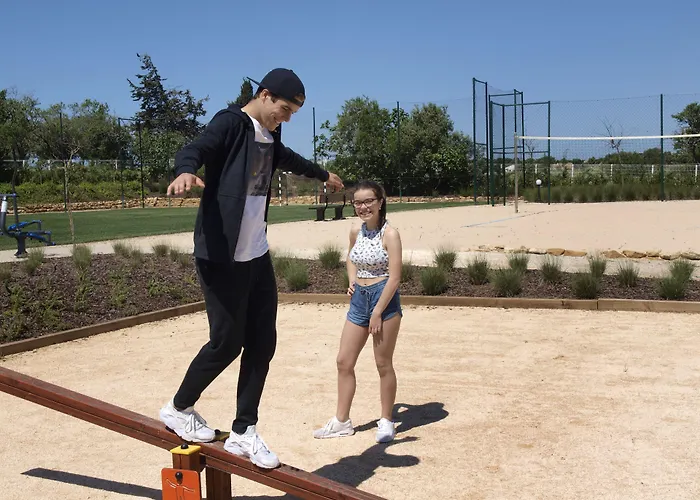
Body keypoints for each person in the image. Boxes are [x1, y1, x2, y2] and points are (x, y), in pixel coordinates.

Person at [158, 68, 344, 469]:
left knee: (262, 342)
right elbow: (197, 148)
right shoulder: (230, 123)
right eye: (285, 109)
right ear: (265, 95)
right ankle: (179, 407)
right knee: (227, 342)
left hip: (256, 255)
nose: (286, 118)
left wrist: (322, 174)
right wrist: (186, 169)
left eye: (292, 113)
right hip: (221, 255)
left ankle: (244, 431)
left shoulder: (270, 136)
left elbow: (289, 159)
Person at [313, 180, 403, 444]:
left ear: (380, 202)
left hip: (383, 299)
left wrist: (377, 311)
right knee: (344, 361)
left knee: (383, 363)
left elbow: (395, 278)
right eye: (358, 203)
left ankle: (386, 420)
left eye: (368, 201)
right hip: (359, 300)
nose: (363, 207)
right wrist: (352, 279)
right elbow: (351, 257)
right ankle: (342, 421)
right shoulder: (356, 230)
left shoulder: (390, 234)